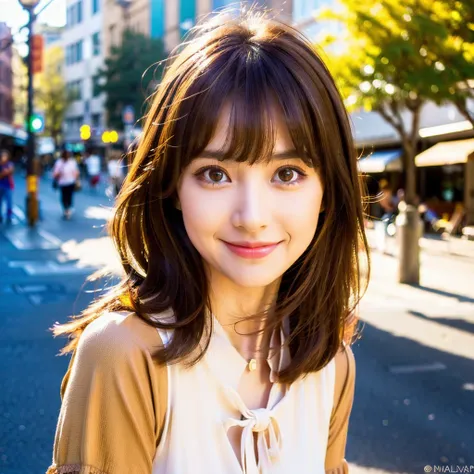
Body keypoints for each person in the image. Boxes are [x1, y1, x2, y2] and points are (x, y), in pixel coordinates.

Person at [47, 10, 369, 474]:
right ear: (174, 186)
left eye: (287, 173)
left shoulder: (331, 363)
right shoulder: (125, 356)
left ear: (327, 191)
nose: (252, 217)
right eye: (215, 174)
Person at [53, 149, 79, 220]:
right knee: (64, 197)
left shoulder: (72, 162)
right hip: (62, 183)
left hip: (70, 182)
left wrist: (76, 179)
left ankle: (68, 210)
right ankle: (66, 209)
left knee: (69, 196)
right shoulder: (59, 162)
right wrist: (59, 173)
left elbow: (76, 172)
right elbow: (55, 173)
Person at [0, 149, 14, 224]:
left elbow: (11, 171)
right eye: (3, 156)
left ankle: (9, 215)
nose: (4, 157)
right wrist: (5, 172)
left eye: (5, 156)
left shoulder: (9, 164)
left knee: (9, 201)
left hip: (8, 185)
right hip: (0, 185)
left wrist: (6, 172)